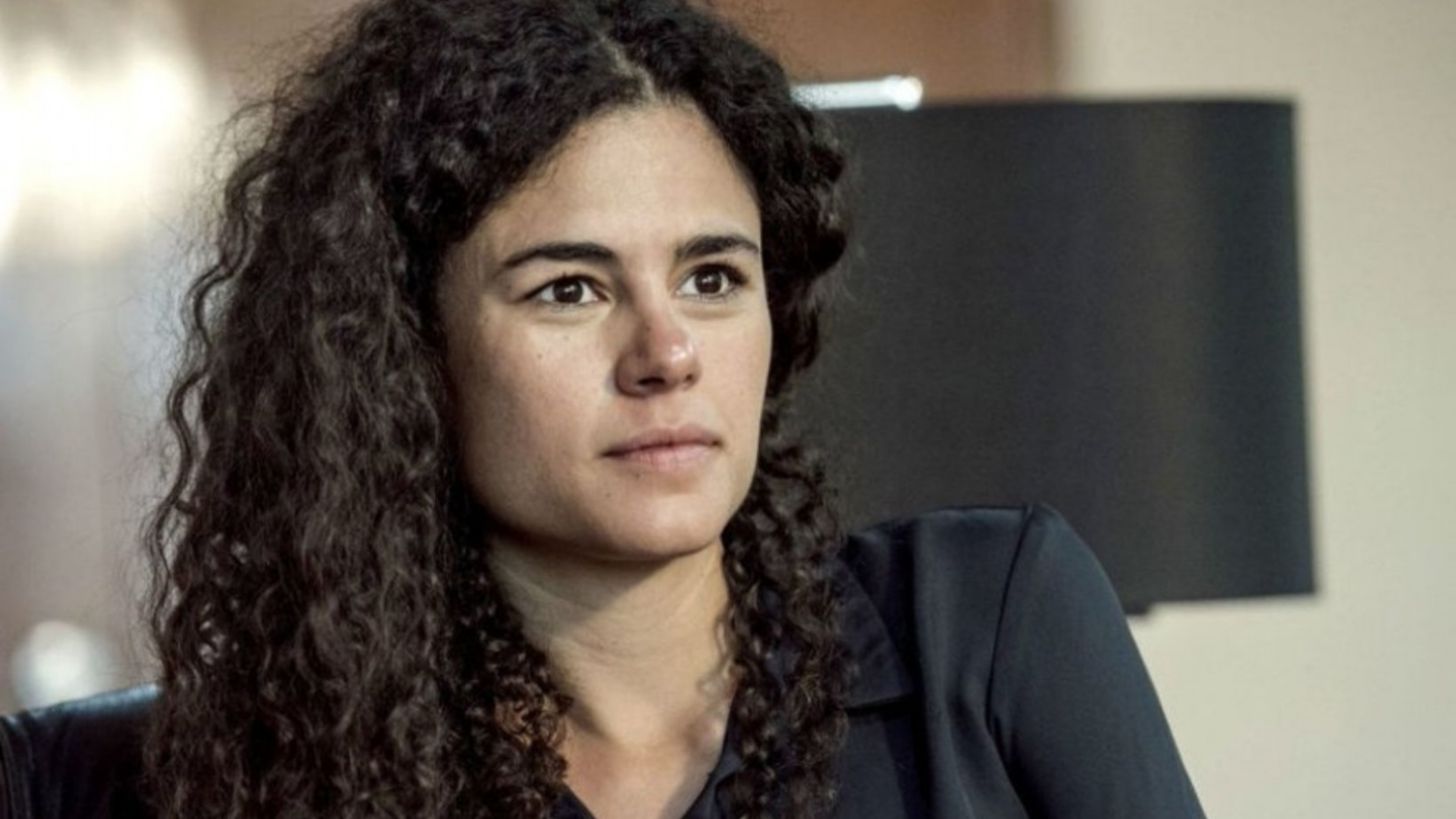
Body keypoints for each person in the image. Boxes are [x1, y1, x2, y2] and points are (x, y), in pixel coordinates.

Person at [0, 0, 1206, 817]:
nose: (668, 352)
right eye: (569, 289)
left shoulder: (986, 628)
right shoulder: (176, 771)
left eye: (712, 277)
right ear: (402, 354)